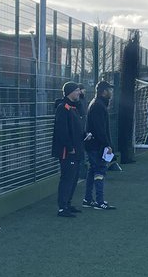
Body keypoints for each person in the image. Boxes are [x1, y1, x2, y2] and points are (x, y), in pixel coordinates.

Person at [50, 82, 84, 217]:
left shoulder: (73, 107)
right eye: (76, 90)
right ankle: (62, 207)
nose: (79, 93)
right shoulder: (63, 108)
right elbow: (61, 131)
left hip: (76, 149)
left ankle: (68, 204)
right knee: (67, 178)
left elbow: (76, 127)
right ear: (70, 92)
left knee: (74, 178)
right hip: (67, 151)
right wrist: (70, 148)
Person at [83, 80, 116, 210]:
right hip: (96, 146)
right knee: (99, 171)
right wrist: (107, 145)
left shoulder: (97, 104)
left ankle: (87, 199)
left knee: (93, 171)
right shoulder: (98, 105)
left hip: (94, 144)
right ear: (104, 92)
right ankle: (99, 201)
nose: (111, 92)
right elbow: (100, 128)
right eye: (110, 90)